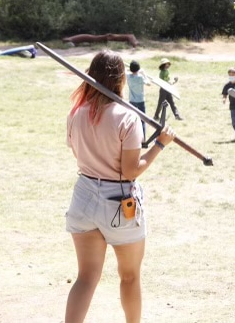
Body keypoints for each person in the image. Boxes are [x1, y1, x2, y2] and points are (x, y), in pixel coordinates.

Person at [65, 50, 176, 323]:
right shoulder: (127, 116)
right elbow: (131, 171)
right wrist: (160, 144)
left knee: (86, 277)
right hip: (118, 202)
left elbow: (75, 150)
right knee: (129, 276)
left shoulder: (76, 112)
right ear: (121, 78)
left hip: (84, 197)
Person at [126, 60, 151, 139]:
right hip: (140, 101)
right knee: (142, 120)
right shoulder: (140, 77)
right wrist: (143, 73)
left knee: (131, 119)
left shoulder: (128, 76)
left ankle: (131, 137)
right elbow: (149, 83)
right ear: (138, 68)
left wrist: (130, 70)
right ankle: (143, 139)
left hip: (132, 101)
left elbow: (124, 70)